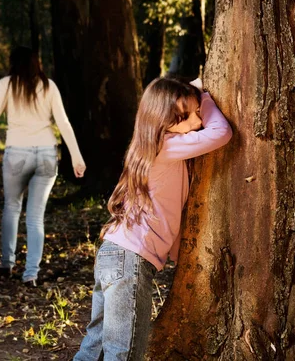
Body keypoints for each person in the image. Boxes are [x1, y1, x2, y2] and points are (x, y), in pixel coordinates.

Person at [73, 77, 233, 360]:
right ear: (167, 121)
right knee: (124, 352)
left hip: (112, 254)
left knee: (95, 345)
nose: (197, 120)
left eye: (197, 112)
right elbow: (221, 132)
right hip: (130, 261)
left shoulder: (147, 145)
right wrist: (205, 97)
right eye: (190, 115)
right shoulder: (168, 146)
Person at [0, 46, 86, 287]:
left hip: (17, 154)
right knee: (35, 218)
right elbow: (63, 123)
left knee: (11, 208)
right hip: (46, 155)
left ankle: (7, 264)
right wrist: (76, 157)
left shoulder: (6, 85)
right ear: (36, 63)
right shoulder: (49, 86)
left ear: (13, 63)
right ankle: (31, 273)